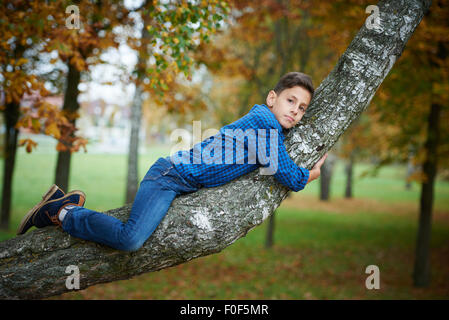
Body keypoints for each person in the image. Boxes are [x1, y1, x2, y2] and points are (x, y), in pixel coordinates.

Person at [17, 72, 328, 251]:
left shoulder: (268, 128)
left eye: (302, 109)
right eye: (291, 101)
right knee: (131, 239)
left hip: (180, 183)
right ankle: (64, 211)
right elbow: (289, 175)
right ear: (272, 98)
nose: (295, 112)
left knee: (133, 240)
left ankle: (62, 208)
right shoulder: (264, 121)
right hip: (168, 175)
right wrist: (311, 173)